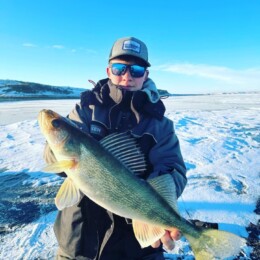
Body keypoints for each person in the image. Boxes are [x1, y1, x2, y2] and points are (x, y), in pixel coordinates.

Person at [44, 36, 187, 260]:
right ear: (109, 71)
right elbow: (58, 164)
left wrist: (157, 208)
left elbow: (172, 169)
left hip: (138, 249)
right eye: (119, 68)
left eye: (137, 69)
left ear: (146, 75)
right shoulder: (85, 110)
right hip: (79, 241)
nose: (127, 76)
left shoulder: (161, 126)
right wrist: (54, 149)